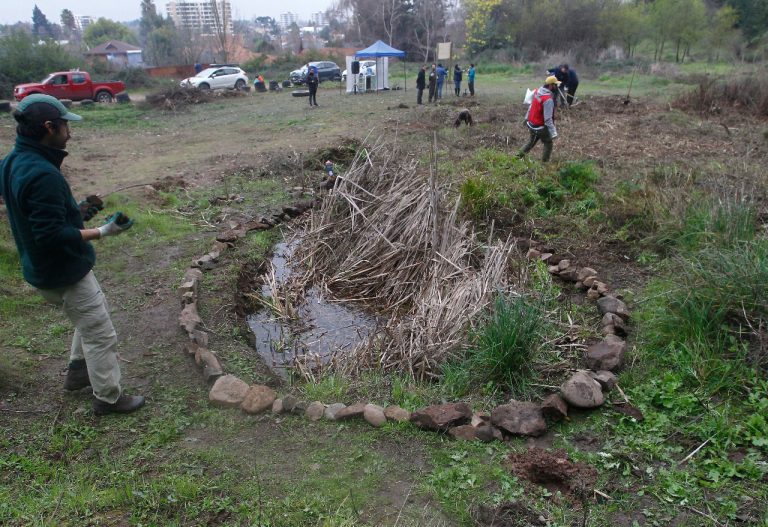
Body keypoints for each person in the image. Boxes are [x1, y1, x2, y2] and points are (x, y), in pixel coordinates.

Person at [0, 94, 145, 415]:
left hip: (40, 269)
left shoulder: (12, 161)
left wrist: (77, 211)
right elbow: (51, 235)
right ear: (49, 127)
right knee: (100, 332)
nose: (70, 131)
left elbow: (35, 212)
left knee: (89, 315)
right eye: (65, 125)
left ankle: (78, 372)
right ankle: (108, 397)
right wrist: (103, 232)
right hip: (61, 271)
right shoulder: (42, 174)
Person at [517, 76, 560, 162]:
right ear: (551, 85)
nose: (557, 87)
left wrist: (526, 118)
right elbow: (548, 119)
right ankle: (544, 163)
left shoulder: (537, 91)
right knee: (548, 143)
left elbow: (531, 106)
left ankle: (516, 157)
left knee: (531, 142)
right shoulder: (548, 100)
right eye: (556, 85)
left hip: (531, 123)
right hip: (540, 127)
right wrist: (553, 132)